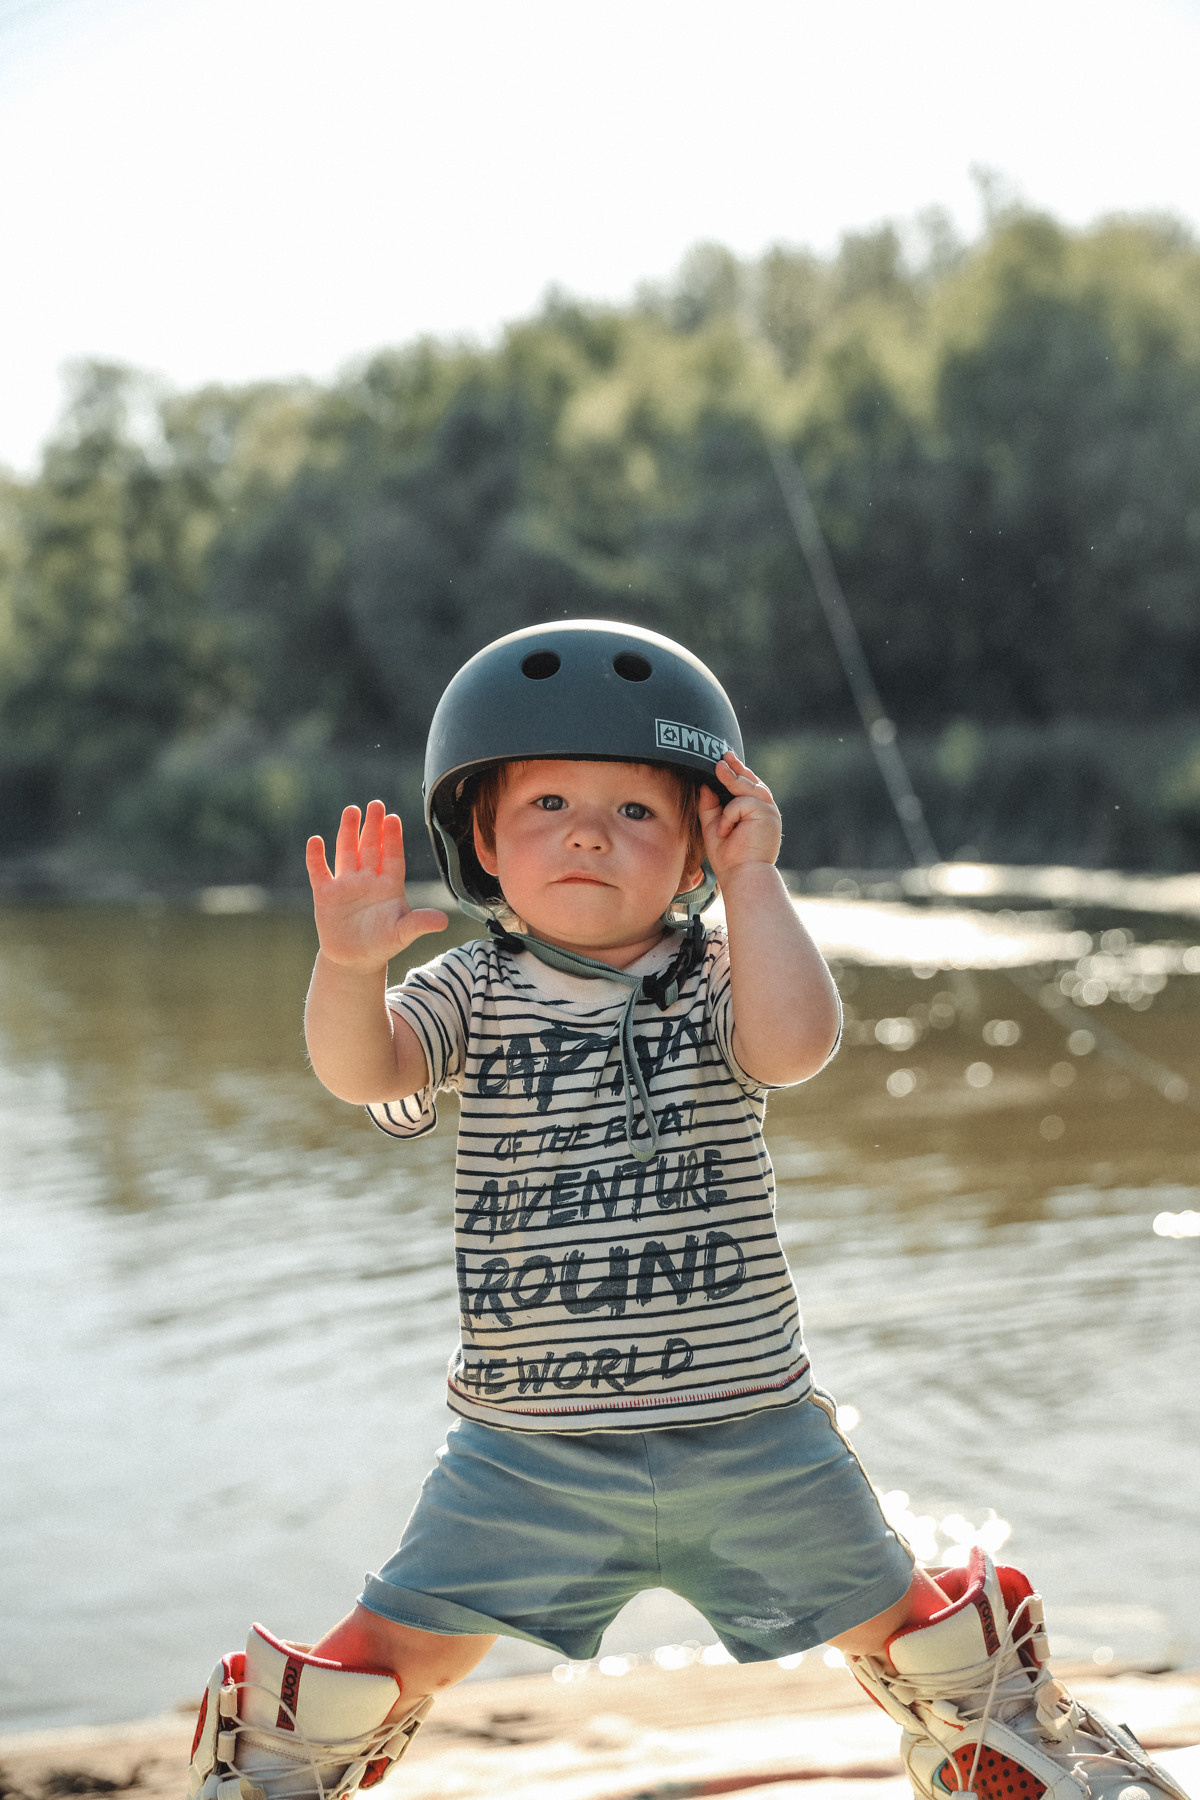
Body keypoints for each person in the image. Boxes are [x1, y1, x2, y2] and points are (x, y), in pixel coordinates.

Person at [188, 622, 1186, 1800]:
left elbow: (797, 1043)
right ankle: (267, 1770)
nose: (589, 832)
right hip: (527, 1451)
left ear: (701, 847)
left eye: (637, 812)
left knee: (919, 1633)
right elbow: (371, 1074)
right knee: (382, 1664)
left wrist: (758, 884)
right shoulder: (471, 988)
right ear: (482, 846)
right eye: (549, 802)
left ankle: (1001, 1745)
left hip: (753, 1433)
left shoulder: (720, 973)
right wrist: (348, 970)